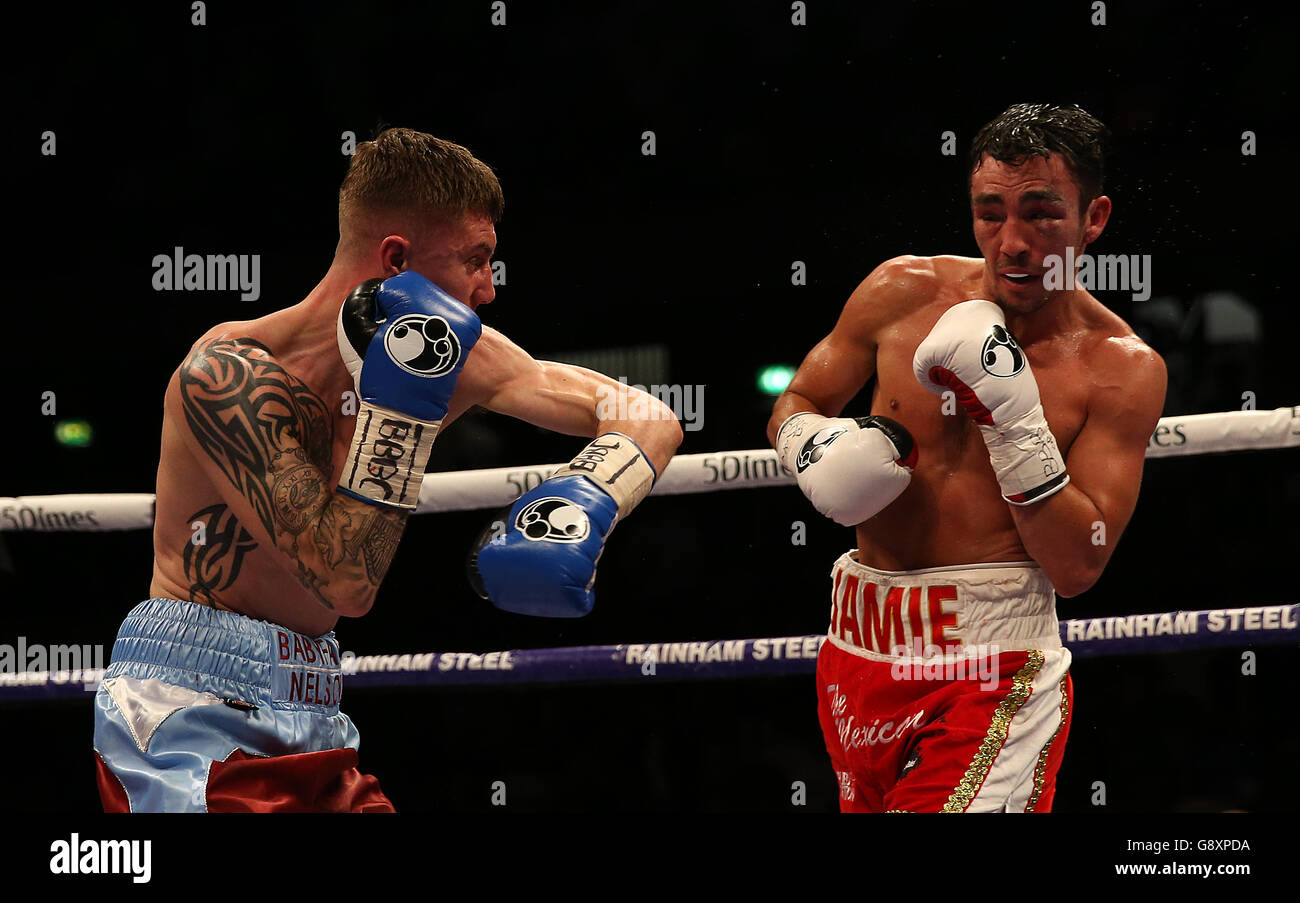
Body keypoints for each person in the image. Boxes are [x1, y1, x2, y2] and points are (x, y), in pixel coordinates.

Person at [93, 128, 682, 812]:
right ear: (397, 261)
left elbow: (647, 415)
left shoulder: (459, 351)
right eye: (475, 260)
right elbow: (345, 577)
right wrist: (403, 403)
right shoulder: (230, 376)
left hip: (315, 706)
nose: (488, 290)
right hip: (189, 716)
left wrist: (586, 499)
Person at [767, 103, 1166, 812]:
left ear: (1093, 218)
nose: (1012, 241)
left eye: (1041, 214)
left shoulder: (1121, 368)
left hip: (996, 669)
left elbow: (1078, 565)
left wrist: (1011, 416)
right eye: (990, 212)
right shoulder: (901, 289)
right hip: (857, 653)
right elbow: (797, 397)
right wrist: (816, 447)